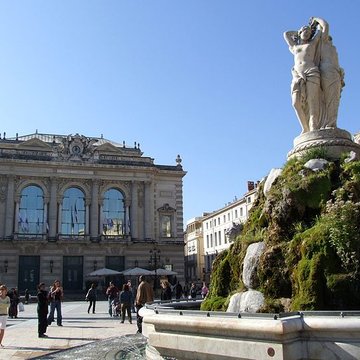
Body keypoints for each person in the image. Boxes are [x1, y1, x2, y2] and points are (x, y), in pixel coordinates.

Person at [284, 18, 323, 133]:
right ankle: (304, 127)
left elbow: (323, 27)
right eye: (304, 31)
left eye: (309, 32)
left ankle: (313, 126)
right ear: (300, 33)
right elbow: (286, 34)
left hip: (311, 72)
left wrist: (316, 21)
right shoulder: (294, 47)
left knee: (312, 100)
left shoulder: (312, 43)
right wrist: (300, 31)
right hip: (297, 75)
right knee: (295, 103)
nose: (307, 32)